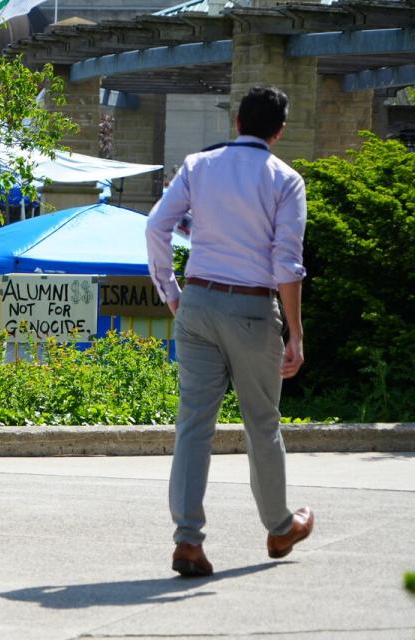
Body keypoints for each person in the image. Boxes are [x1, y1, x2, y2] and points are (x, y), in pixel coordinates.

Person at [145, 85, 314, 578]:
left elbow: (157, 227)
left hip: (196, 300)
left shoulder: (198, 166)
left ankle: (188, 541)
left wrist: (171, 293)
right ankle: (280, 526)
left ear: (236, 122)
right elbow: (287, 262)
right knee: (261, 422)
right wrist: (296, 334)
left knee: (193, 423)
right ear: (278, 132)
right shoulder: (286, 180)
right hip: (252, 309)